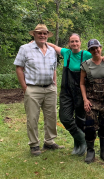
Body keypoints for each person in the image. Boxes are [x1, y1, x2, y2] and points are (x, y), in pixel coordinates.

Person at [46, 34, 104, 156]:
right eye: (72, 42)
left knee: (80, 119)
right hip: (66, 92)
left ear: (80, 42)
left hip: (80, 92)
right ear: (69, 44)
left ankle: (78, 146)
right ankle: (81, 139)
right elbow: (53, 46)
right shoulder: (66, 53)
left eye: (76, 41)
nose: (74, 43)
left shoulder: (85, 54)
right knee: (65, 117)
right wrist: (36, 43)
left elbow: (98, 56)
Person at [14, 24, 64, 156]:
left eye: (44, 33)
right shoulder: (25, 49)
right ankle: (34, 145)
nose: (42, 35)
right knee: (32, 117)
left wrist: (54, 85)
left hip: (50, 88)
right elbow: (19, 67)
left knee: (51, 116)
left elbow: (53, 69)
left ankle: (49, 141)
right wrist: (25, 88)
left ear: (47, 35)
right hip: (33, 88)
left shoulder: (52, 51)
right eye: (39, 33)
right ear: (34, 34)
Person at [80, 39, 104, 163]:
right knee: (89, 125)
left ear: (101, 47)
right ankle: (90, 151)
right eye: (93, 49)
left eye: (97, 48)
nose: (96, 50)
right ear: (89, 51)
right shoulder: (85, 65)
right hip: (91, 100)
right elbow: (82, 84)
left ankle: (103, 150)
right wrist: (85, 100)